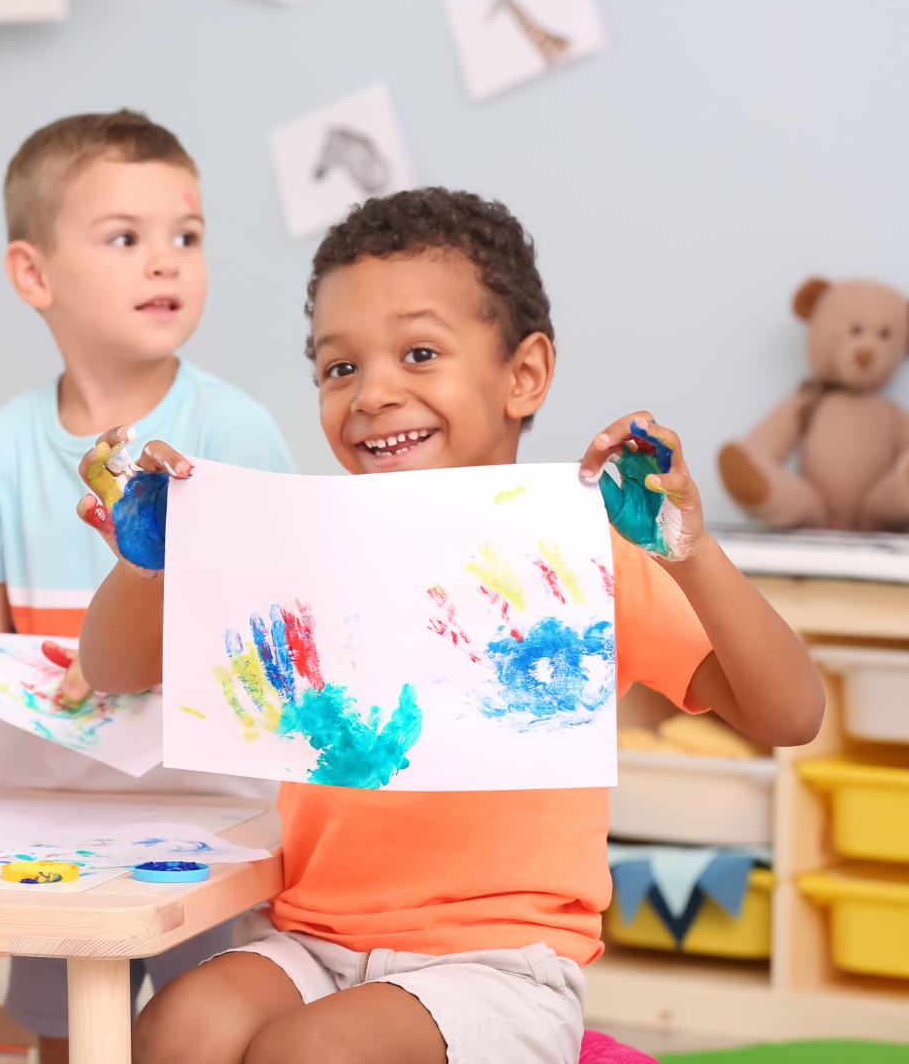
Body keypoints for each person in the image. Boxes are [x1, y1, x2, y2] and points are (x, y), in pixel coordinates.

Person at [78, 188, 824, 1064]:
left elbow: (791, 713)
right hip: (310, 938)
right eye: (339, 367)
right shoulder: (296, 545)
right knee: (177, 1025)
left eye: (419, 353)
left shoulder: (580, 552)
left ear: (524, 374)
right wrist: (149, 561)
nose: (372, 393)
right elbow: (113, 668)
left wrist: (689, 554)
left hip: (499, 966)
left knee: (313, 1053)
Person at [0, 111, 298, 1062]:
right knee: (68, 1042)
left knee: (211, 1034)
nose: (166, 261)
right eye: (125, 238)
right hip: (51, 823)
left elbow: (274, 627)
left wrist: (129, 658)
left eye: (187, 236)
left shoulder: (234, 432)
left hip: (212, 821)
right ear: (34, 274)